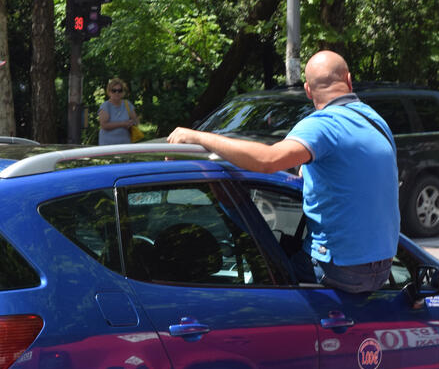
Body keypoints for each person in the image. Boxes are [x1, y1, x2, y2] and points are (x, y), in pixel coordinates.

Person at [167, 50, 399, 294]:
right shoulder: (376, 121)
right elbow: (357, 173)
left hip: (339, 270)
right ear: (349, 81)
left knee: (269, 267)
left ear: (308, 90)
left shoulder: (322, 125)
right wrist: (310, 167)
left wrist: (196, 136)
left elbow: (267, 161)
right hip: (382, 269)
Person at [98, 78, 140, 145]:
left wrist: (131, 123)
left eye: (119, 90)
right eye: (114, 90)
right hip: (107, 144)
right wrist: (122, 124)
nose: (117, 93)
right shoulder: (105, 106)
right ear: (109, 92)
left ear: (123, 92)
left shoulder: (127, 104)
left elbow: (136, 121)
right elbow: (104, 125)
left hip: (125, 143)